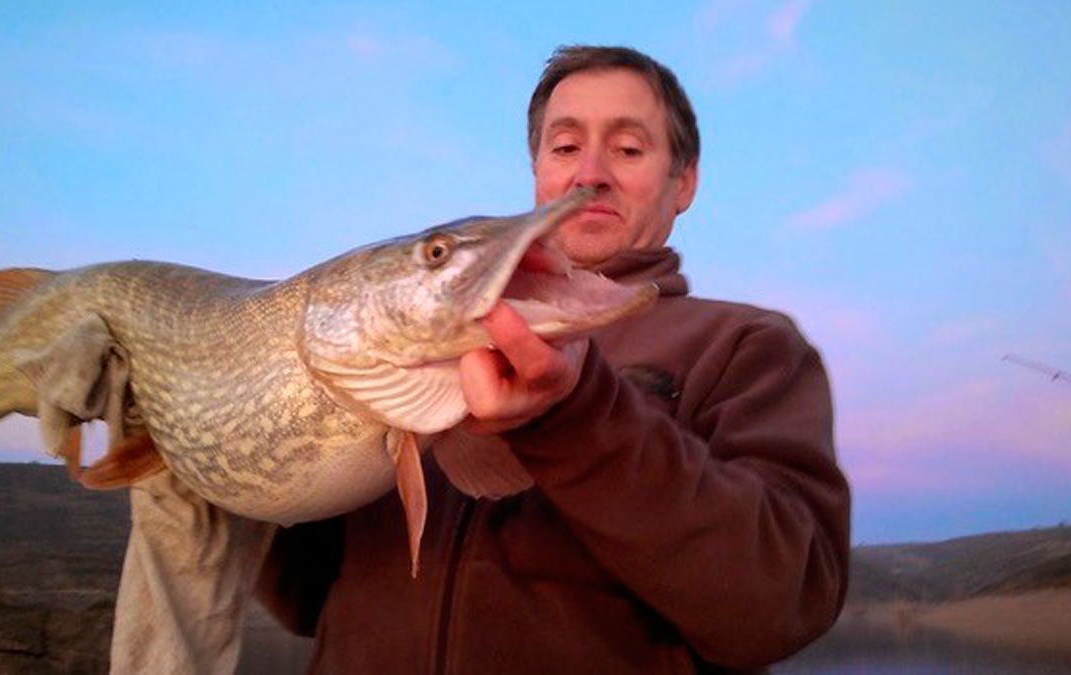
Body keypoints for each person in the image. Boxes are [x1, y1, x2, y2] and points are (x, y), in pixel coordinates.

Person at [252, 45, 851, 673]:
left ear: (684, 182)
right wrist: (242, 460)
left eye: (628, 149)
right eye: (565, 148)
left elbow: (781, 604)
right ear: (538, 170)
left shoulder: (746, 346)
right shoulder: (407, 340)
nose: (590, 173)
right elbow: (307, 599)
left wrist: (578, 415)